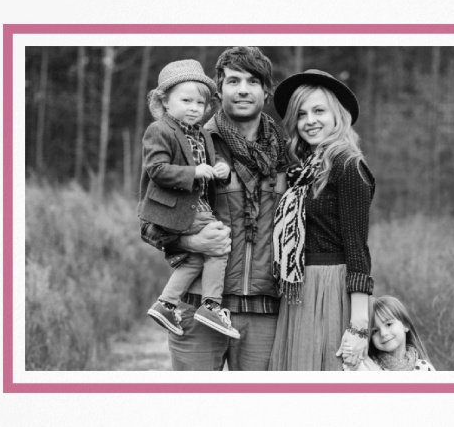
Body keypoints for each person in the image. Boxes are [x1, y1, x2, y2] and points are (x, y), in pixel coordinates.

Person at [161, 47, 288, 371]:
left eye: (253, 81)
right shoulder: (188, 143)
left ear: (266, 90)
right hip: (197, 305)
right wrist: (191, 243)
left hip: (265, 312)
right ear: (219, 90)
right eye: (233, 80)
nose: (243, 89)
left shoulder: (287, 155)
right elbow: (151, 221)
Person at [269, 69, 375, 371]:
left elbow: (357, 249)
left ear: (337, 115)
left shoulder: (348, 165)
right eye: (301, 114)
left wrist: (358, 326)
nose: (310, 121)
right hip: (299, 287)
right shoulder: (303, 171)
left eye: (319, 111)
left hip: (331, 288)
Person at [138, 59, 239, 339]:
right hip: (177, 206)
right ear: (165, 103)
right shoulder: (160, 130)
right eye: (186, 100)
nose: (194, 108)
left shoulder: (203, 134)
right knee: (219, 244)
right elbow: (156, 170)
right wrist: (194, 172)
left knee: (194, 260)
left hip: (195, 205)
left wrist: (222, 168)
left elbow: (215, 158)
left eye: (200, 103)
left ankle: (166, 303)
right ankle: (211, 306)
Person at [342, 296, 436, 371]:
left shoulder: (424, 369)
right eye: (375, 331)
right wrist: (350, 352)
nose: (383, 333)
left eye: (389, 324)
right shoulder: (368, 366)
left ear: (405, 325)